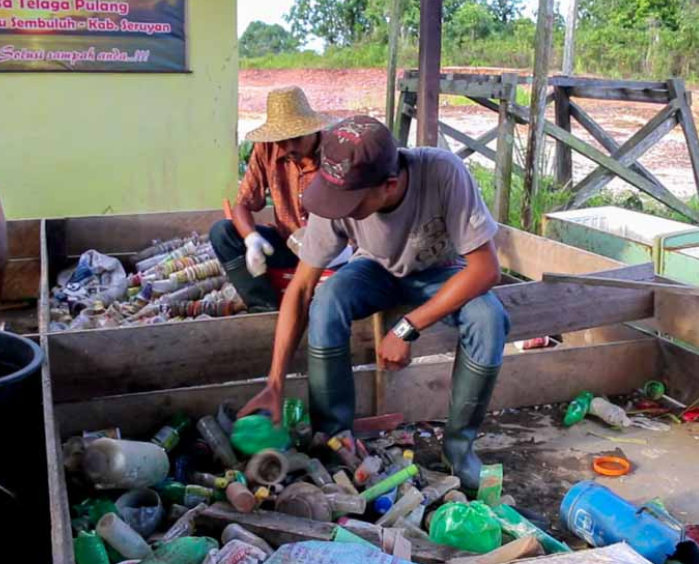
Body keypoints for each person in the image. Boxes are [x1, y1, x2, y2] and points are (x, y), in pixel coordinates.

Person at [237, 116, 510, 490]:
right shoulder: (337, 190)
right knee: (327, 299)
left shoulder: (444, 173)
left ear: (389, 185)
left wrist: (406, 326)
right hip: (374, 269)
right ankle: (335, 440)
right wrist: (274, 383)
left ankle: (458, 451)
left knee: (489, 318)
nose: (337, 209)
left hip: (441, 270)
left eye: (350, 201)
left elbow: (486, 269)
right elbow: (300, 289)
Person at [210, 86, 336, 312]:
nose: (288, 147)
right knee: (222, 232)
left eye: (295, 139)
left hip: (332, 250)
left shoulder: (335, 152)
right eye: (281, 141)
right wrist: (251, 240)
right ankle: (263, 307)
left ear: (311, 130)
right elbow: (243, 204)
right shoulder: (267, 149)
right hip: (288, 245)